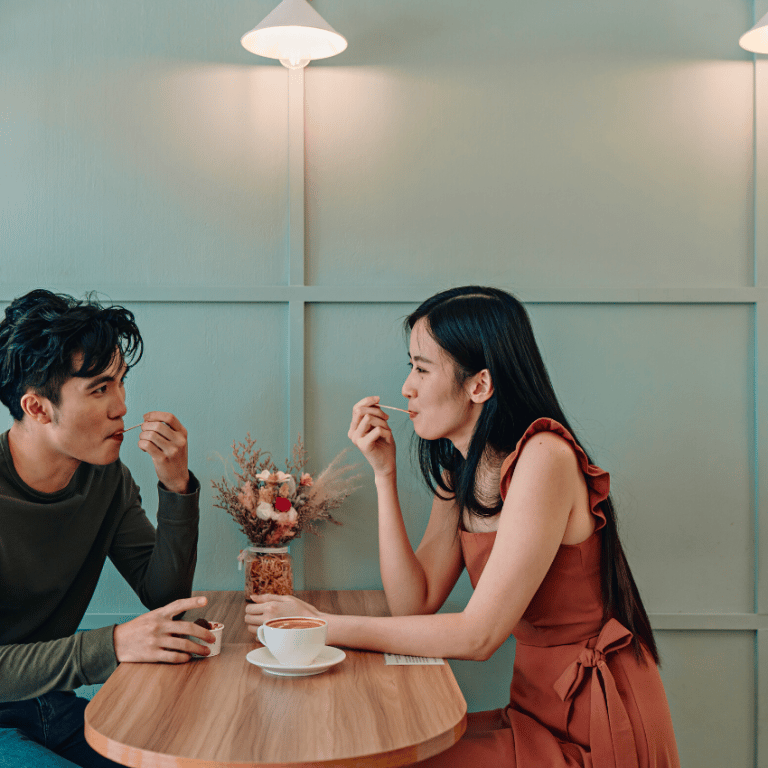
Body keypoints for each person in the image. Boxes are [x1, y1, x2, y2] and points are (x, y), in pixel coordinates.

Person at [244, 285, 680, 767]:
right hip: (536, 711)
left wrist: (323, 626)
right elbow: (415, 602)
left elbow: (478, 636)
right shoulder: (463, 468)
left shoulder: (544, 459)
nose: (406, 387)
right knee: (376, 749)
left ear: (480, 385)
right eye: (410, 366)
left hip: (596, 725)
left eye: (421, 368)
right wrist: (383, 475)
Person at [0, 289, 215, 768]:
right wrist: (113, 645)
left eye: (120, 382)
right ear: (36, 408)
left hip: (54, 706)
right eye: (99, 389)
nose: (121, 406)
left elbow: (163, 594)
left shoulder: (106, 479)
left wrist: (176, 485)